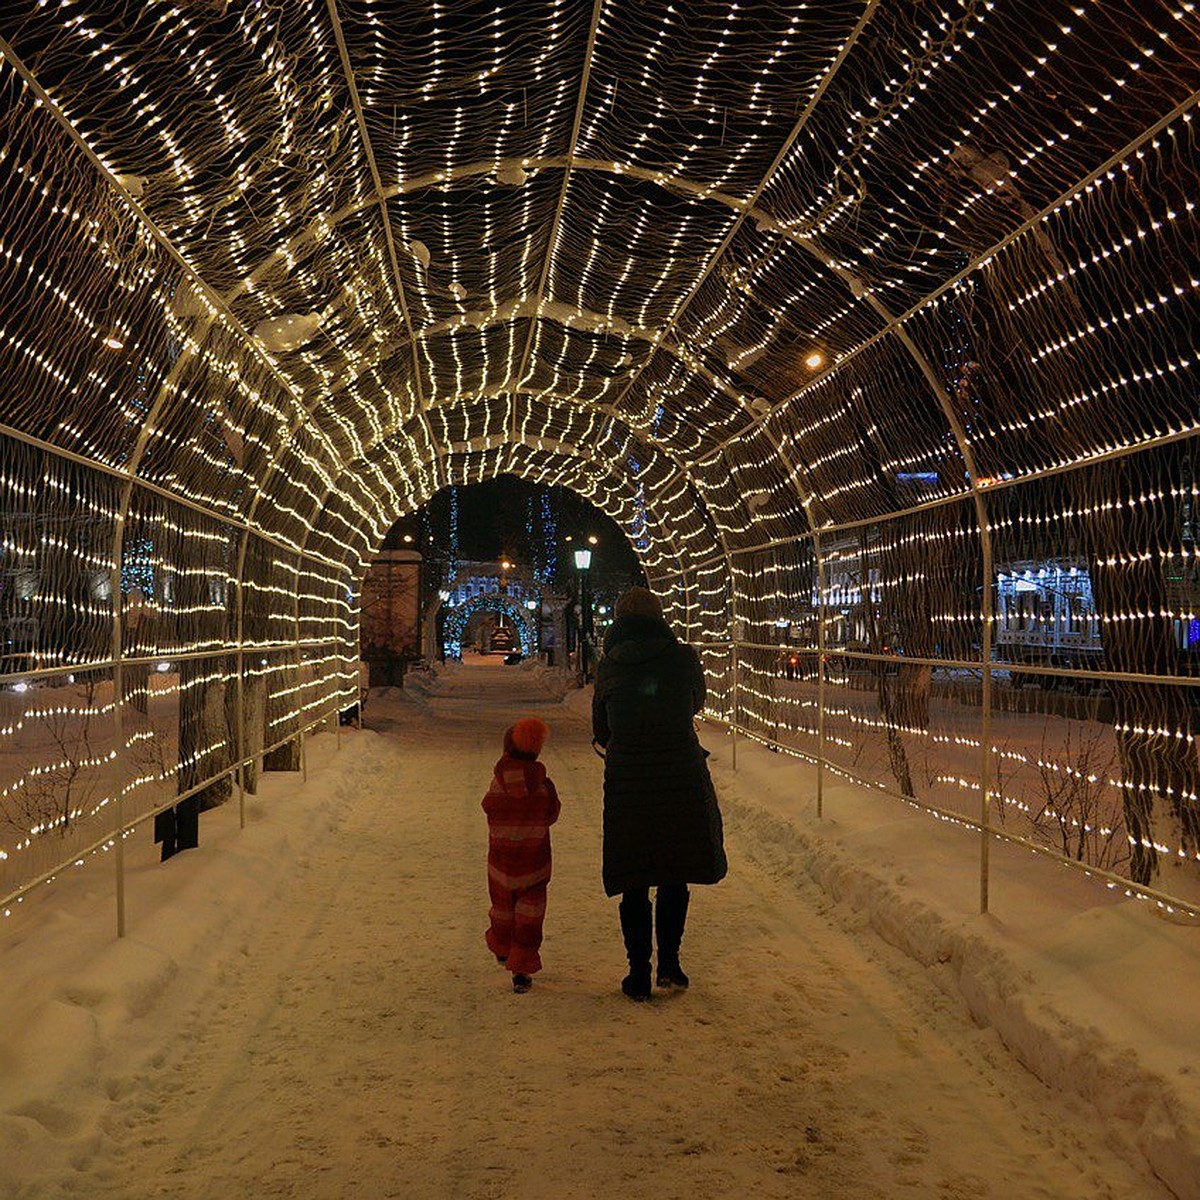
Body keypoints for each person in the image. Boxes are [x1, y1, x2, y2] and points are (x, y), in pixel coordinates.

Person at [592, 587, 727, 1001]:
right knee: (673, 870)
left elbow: (601, 728)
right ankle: (670, 964)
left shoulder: (610, 664)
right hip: (678, 774)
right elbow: (695, 702)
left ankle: (637, 973)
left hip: (629, 780)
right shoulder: (683, 656)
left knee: (635, 876)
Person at [482, 717, 561, 993]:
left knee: (503, 910)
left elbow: (488, 807)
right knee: (530, 917)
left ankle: (502, 946)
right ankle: (521, 967)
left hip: (501, 862)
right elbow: (551, 814)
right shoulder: (543, 787)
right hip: (534, 863)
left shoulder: (498, 783)